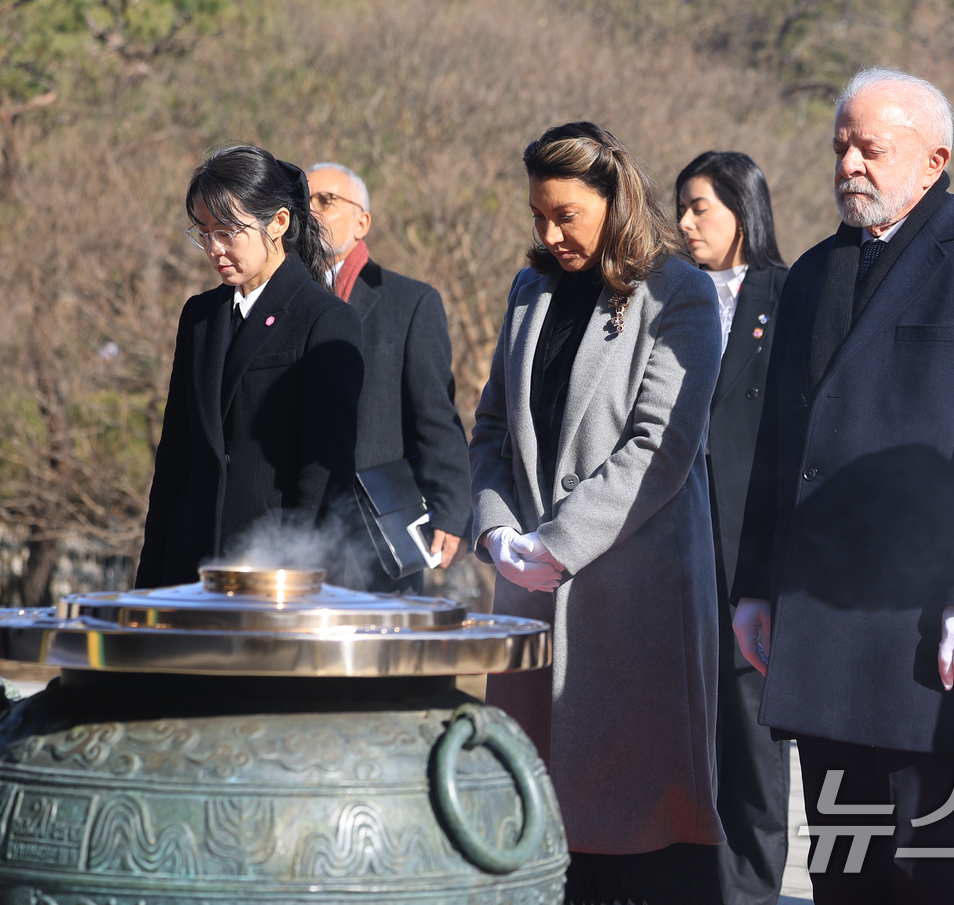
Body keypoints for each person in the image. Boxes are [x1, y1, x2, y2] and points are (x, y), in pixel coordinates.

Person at [732, 68, 954, 904]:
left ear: (933, 158)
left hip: (924, 630)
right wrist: (756, 587)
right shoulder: (808, 274)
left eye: (870, 148)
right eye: (840, 145)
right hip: (818, 621)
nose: (849, 164)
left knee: (925, 865)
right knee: (843, 866)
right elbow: (779, 447)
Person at [469, 121, 725, 905]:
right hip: (531, 604)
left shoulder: (678, 290)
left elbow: (661, 447)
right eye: (540, 215)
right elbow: (488, 429)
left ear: (615, 200)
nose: (551, 233)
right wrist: (496, 529)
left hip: (633, 600)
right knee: (532, 825)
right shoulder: (529, 288)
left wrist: (559, 544)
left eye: (568, 215)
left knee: (633, 832)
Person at [136, 145, 364, 588]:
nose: (214, 249)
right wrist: (150, 583)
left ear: (278, 222)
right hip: (190, 568)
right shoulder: (200, 317)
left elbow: (323, 474)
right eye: (203, 233)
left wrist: (301, 581)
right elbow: (174, 459)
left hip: (271, 571)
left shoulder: (324, 319)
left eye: (228, 232)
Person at [675, 152, 791, 905]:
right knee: (683, 731)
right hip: (671, 546)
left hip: (750, 550)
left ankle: (750, 888)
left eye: (699, 208)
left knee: (751, 738)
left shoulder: (789, 295)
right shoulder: (666, 298)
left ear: (743, 212)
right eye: (679, 208)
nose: (683, 223)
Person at [306, 162, 471, 593]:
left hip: (381, 527)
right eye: (302, 201)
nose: (312, 210)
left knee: (384, 654)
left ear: (362, 222)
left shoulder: (410, 302)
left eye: (326, 200)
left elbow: (435, 414)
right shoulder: (279, 303)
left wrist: (451, 511)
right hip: (292, 528)